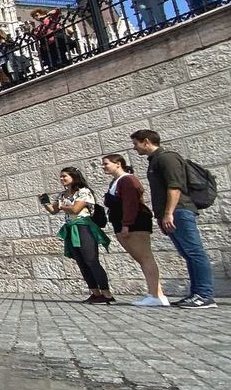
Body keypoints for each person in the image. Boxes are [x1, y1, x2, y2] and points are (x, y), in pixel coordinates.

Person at [131, 129, 217, 309]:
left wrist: (169, 212)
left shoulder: (167, 158)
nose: (134, 148)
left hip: (179, 211)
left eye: (136, 143)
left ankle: (205, 295)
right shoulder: (155, 160)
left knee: (194, 252)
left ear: (146, 141)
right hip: (170, 213)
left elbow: (175, 187)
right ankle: (196, 294)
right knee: (188, 254)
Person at [102, 154, 167, 306]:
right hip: (123, 222)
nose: (104, 167)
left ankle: (155, 296)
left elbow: (131, 203)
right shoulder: (117, 181)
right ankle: (157, 294)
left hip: (134, 223)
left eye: (106, 164)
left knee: (145, 258)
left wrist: (127, 224)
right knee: (142, 259)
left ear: (118, 164)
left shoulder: (127, 179)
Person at [41, 167, 113, 303]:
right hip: (70, 228)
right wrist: (45, 202)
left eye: (65, 176)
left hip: (83, 226)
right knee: (81, 262)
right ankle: (95, 293)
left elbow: (75, 209)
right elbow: (53, 210)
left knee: (91, 260)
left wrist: (62, 206)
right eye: (61, 177)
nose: (62, 179)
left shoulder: (83, 192)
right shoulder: (62, 195)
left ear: (73, 177)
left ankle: (107, 293)